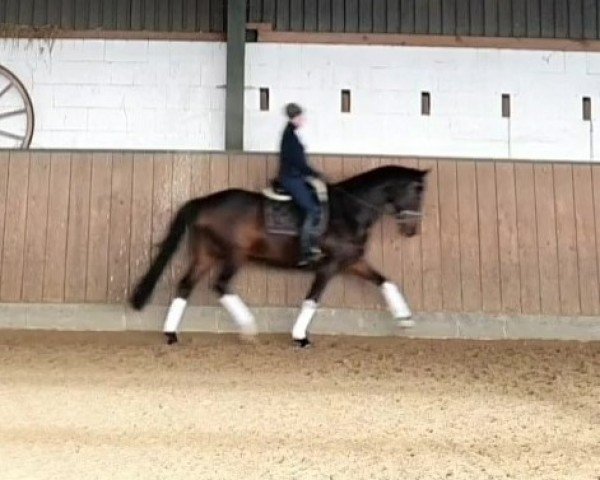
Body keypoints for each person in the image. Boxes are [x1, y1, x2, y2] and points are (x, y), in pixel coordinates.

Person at [278, 103, 324, 266]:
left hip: (296, 176)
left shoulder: (291, 134)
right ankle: (306, 250)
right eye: (301, 116)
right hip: (292, 178)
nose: (303, 119)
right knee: (312, 209)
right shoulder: (291, 137)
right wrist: (314, 174)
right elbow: (298, 163)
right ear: (295, 117)